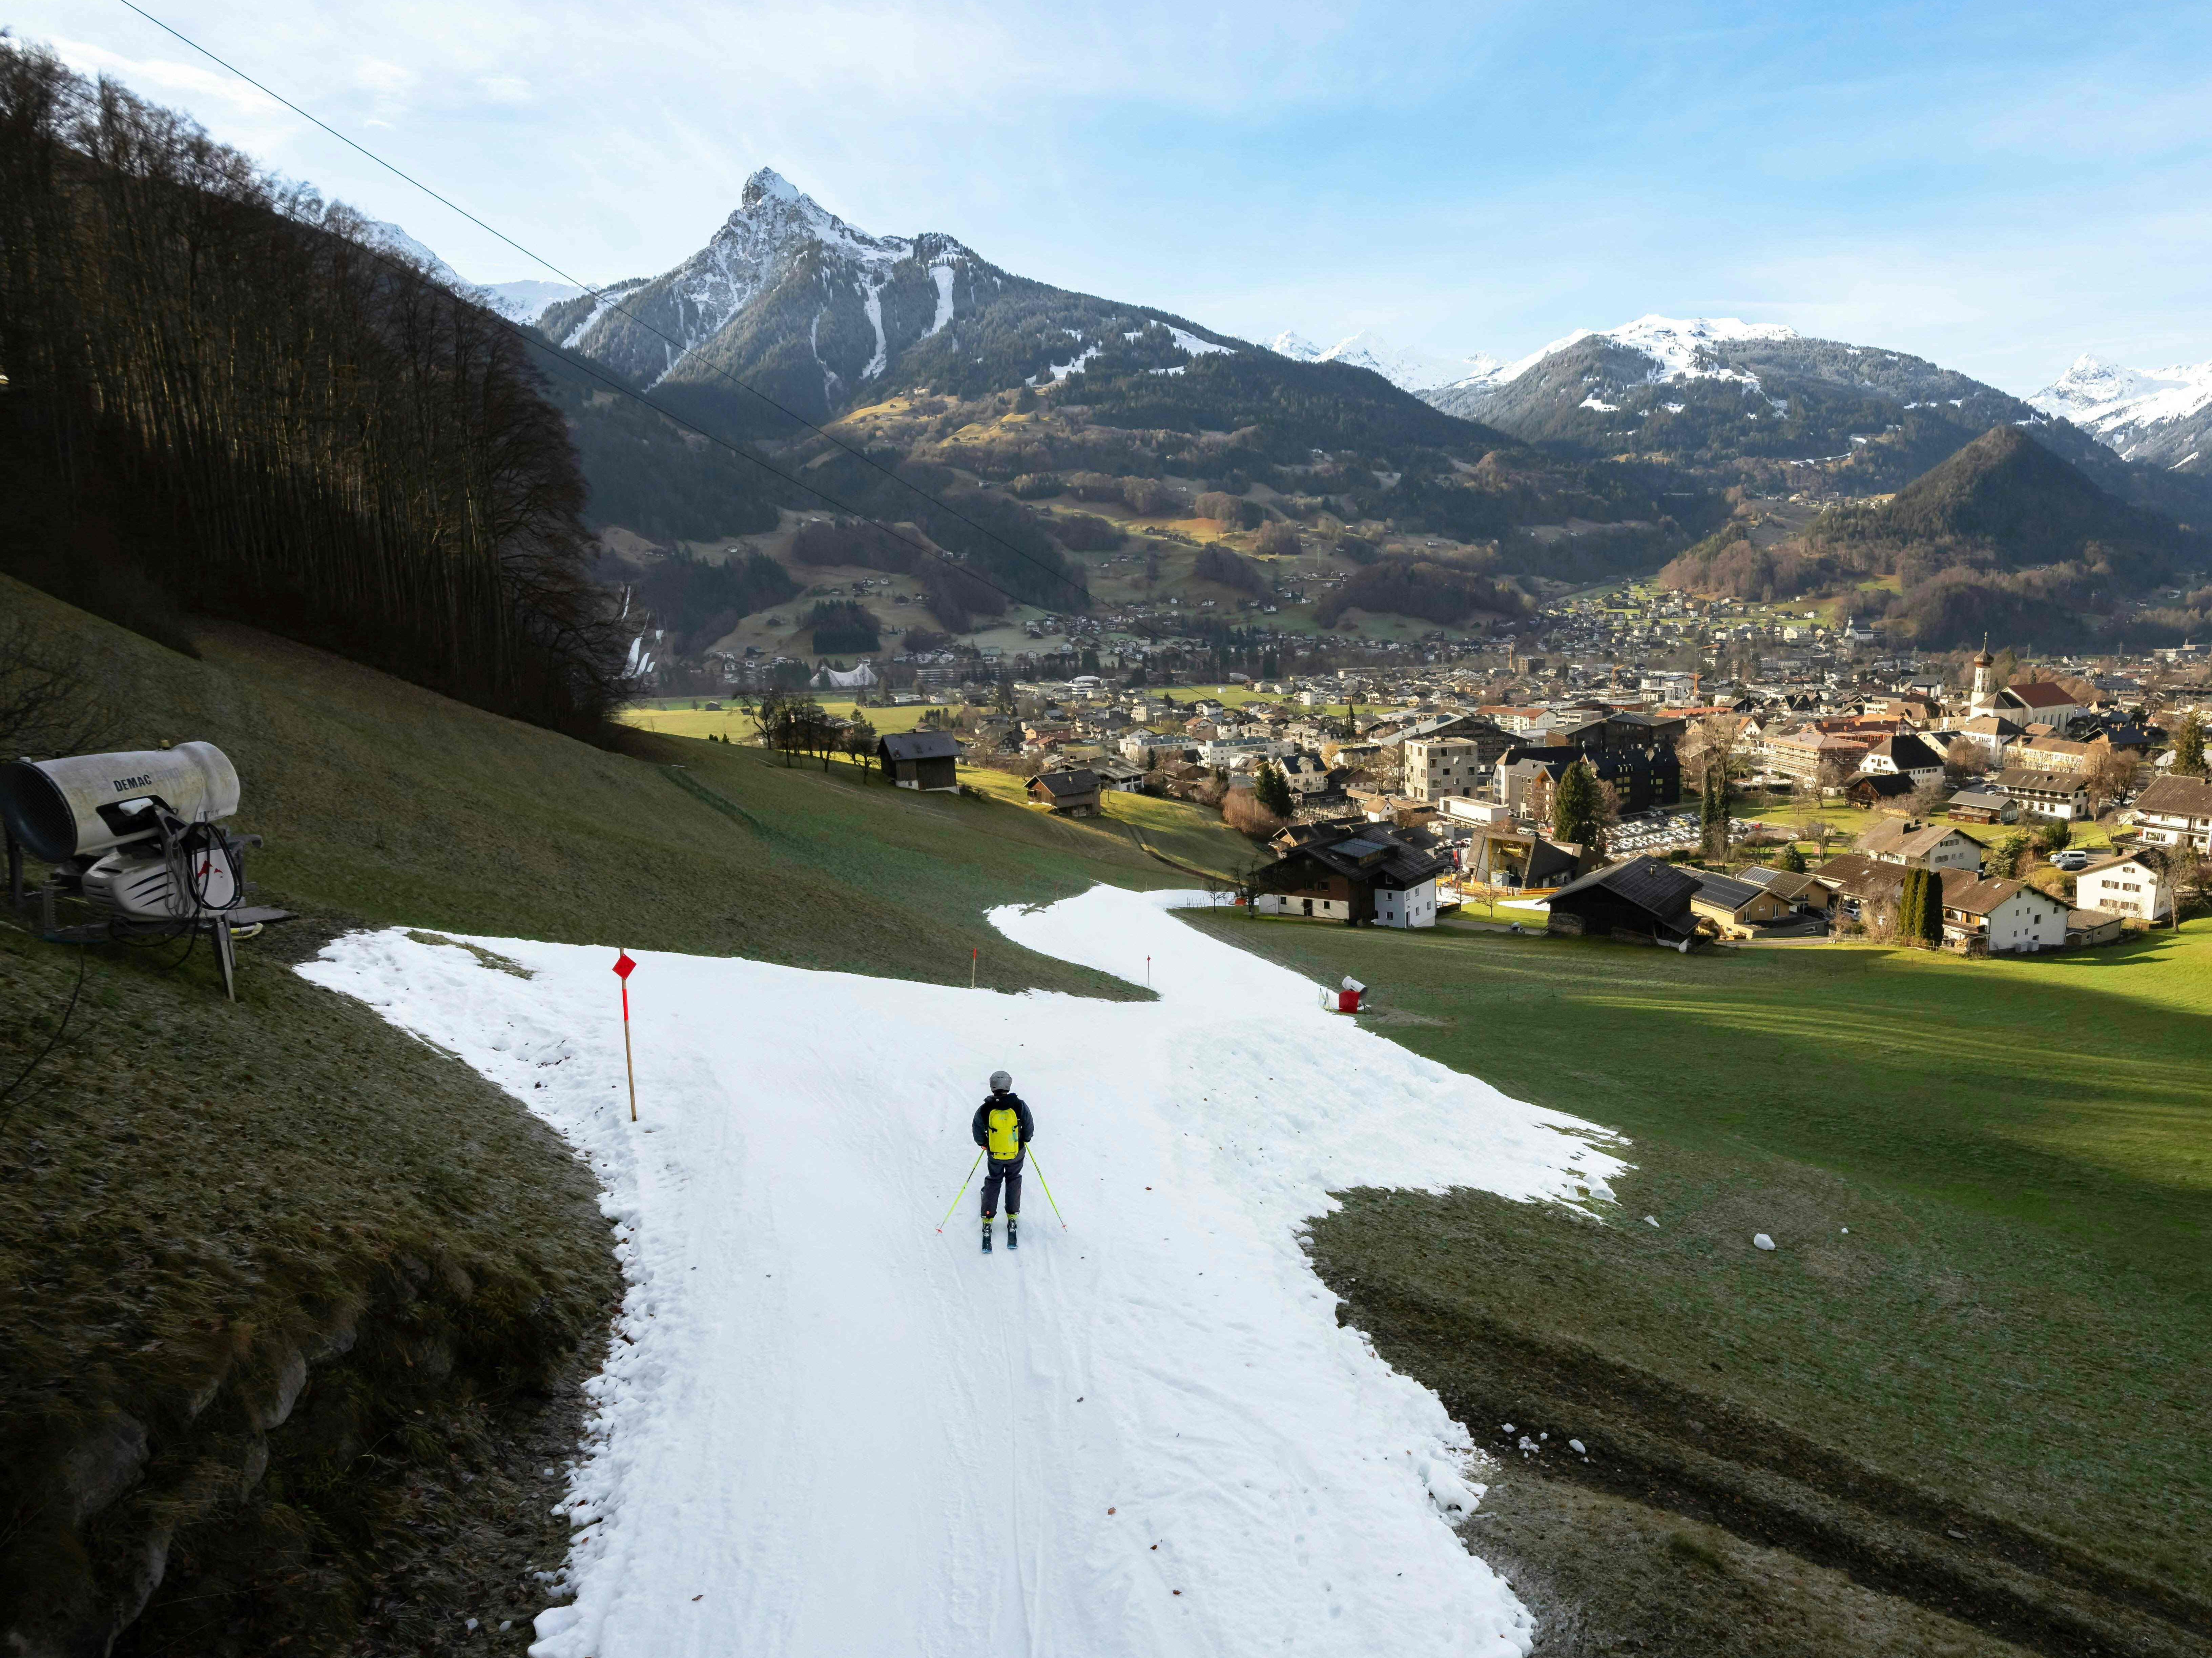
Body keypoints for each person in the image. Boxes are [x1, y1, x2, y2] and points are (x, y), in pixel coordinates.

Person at [971, 1070, 1033, 1253]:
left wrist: (984, 1144)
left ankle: (988, 1218)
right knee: (1014, 1179)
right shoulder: (1019, 1105)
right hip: (1016, 1153)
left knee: (994, 1180)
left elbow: (977, 1130)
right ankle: (1012, 1216)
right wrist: (1025, 1140)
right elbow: (1029, 1129)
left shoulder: (985, 1108)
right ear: (1009, 1085)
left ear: (992, 1086)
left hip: (995, 1155)